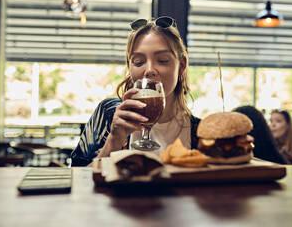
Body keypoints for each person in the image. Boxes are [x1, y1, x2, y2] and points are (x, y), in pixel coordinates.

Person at [70, 16, 200, 166]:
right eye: (138, 62)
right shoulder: (109, 114)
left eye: (163, 60)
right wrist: (114, 139)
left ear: (181, 66)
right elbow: (78, 177)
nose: (149, 70)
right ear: (130, 67)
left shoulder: (199, 132)